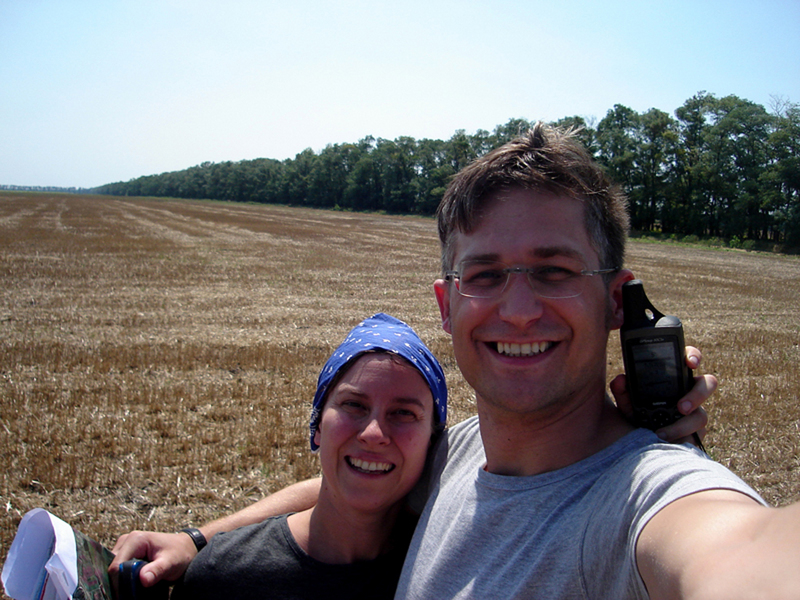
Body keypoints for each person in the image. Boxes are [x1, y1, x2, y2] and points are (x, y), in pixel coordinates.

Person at [110, 124, 740, 598]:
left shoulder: (651, 496)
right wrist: (197, 541)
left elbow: (739, 554)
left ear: (614, 300)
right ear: (446, 303)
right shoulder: (456, 453)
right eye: (484, 273)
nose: (518, 310)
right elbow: (349, 485)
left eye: (554, 269)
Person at [168, 312, 447, 599]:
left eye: (403, 413)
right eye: (353, 405)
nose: (373, 433)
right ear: (317, 427)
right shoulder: (223, 576)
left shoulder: (447, 569)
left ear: (432, 442)